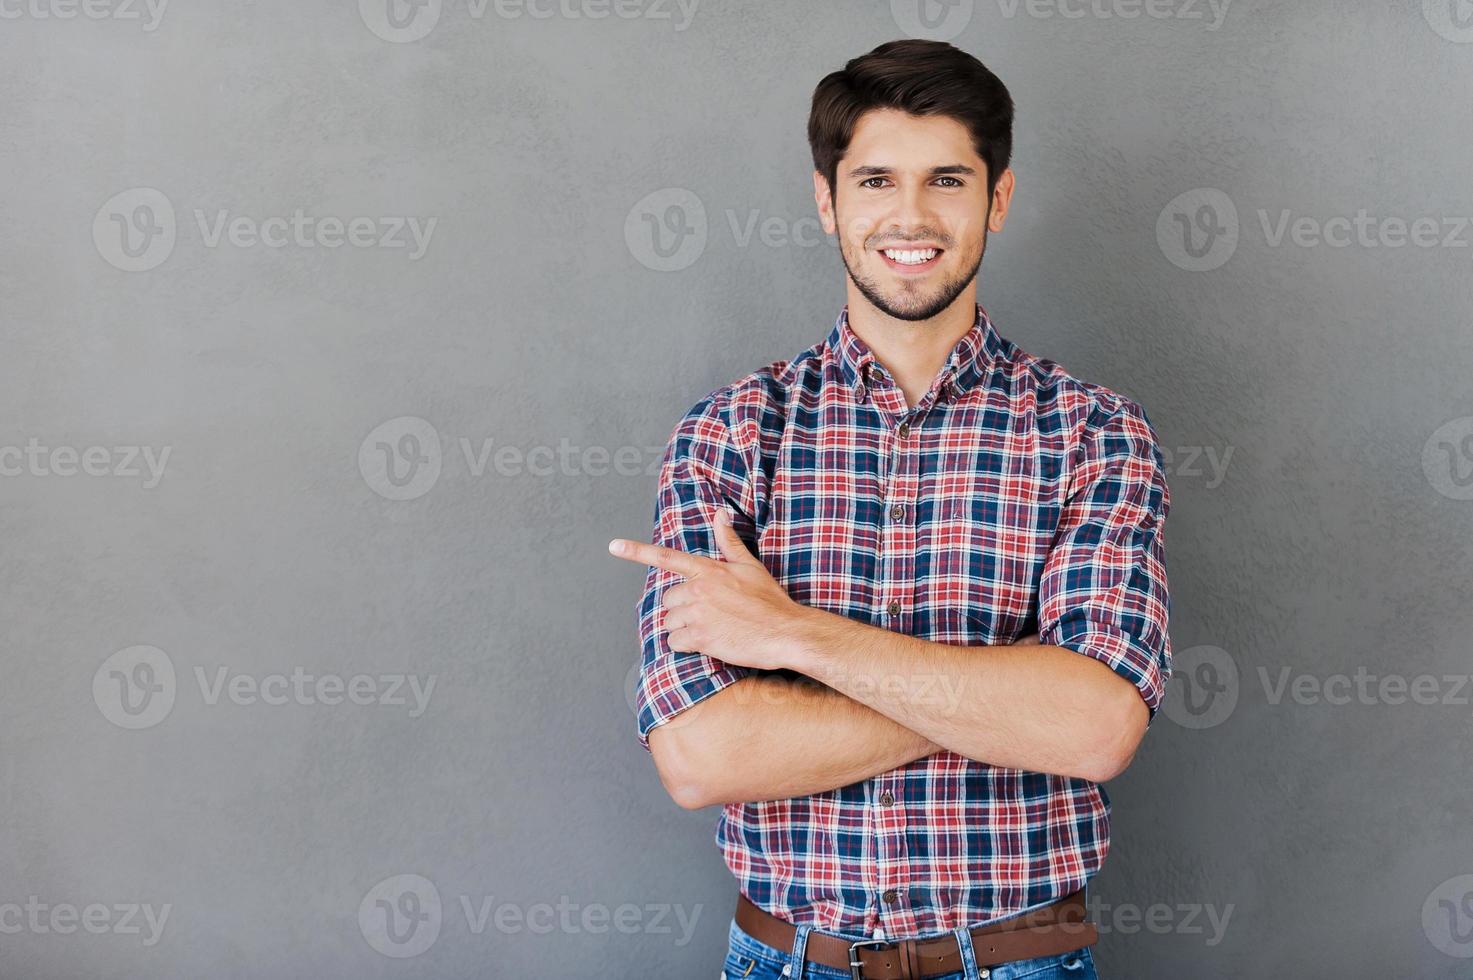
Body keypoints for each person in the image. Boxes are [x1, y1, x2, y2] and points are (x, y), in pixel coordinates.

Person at [608, 38, 1172, 980]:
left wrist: (791, 639)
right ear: (826, 201)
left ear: (997, 198)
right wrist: (1007, 695)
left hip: (1021, 960)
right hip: (787, 960)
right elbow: (702, 757)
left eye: (946, 179)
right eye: (874, 180)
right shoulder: (732, 433)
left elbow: (1094, 730)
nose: (909, 216)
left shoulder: (1092, 431)